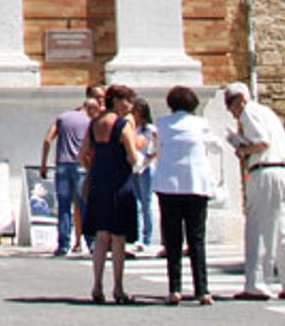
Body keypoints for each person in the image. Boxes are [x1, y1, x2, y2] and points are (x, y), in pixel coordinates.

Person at [225, 80, 285, 302]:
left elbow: (262, 142)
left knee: (258, 229)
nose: (232, 112)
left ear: (241, 99)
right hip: (281, 172)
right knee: (284, 231)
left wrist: (242, 149)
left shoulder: (249, 112)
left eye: (231, 105)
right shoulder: (267, 112)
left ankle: (257, 284)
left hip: (264, 172)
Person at [151, 84, 220, 305]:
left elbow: (157, 151)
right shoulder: (201, 124)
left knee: (172, 240)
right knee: (196, 239)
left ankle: (175, 288)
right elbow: (215, 147)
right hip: (195, 185)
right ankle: (202, 289)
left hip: (169, 186)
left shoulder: (161, 124)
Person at [78, 83, 141, 304]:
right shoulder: (123, 125)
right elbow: (133, 158)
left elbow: (82, 154)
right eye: (127, 100)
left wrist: (93, 169)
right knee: (118, 238)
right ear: (117, 101)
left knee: (101, 236)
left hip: (99, 181)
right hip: (119, 182)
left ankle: (96, 285)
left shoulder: (95, 124)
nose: (130, 105)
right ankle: (118, 287)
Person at [41, 84, 102, 256]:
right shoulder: (90, 122)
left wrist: (44, 163)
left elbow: (47, 140)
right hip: (81, 166)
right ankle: (91, 243)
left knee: (64, 207)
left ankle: (63, 245)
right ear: (90, 109)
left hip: (61, 165)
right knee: (85, 206)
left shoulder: (63, 117)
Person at [128, 97, 158, 256]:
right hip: (133, 167)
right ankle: (137, 236)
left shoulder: (150, 129)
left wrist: (144, 162)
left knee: (146, 202)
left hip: (146, 167)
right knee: (136, 203)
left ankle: (147, 237)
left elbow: (153, 150)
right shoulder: (132, 128)